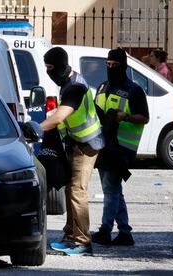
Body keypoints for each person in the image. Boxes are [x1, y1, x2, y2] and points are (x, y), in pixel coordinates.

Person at [41, 46, 105, 255]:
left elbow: (60, 116)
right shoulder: (68, 82)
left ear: (60, 66)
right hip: (76, 143)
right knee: (70, 190)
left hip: (87, 145)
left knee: (78, 191)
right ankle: (70, 235)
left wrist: (35, 128)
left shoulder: (75, 87)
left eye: (50, 67)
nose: (48, 72)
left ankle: (83, 241)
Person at [91, 48, 149, 246]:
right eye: (108, 65)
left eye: (115, 65)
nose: (111, 68)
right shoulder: (101, 87)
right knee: (115, 190)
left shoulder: (134, 90)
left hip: (122, 147)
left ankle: (105, 230)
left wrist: (125, 117)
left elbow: (144, 118)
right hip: (103, 144)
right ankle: (125, 232)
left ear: (123, 66)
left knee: (110, 189)